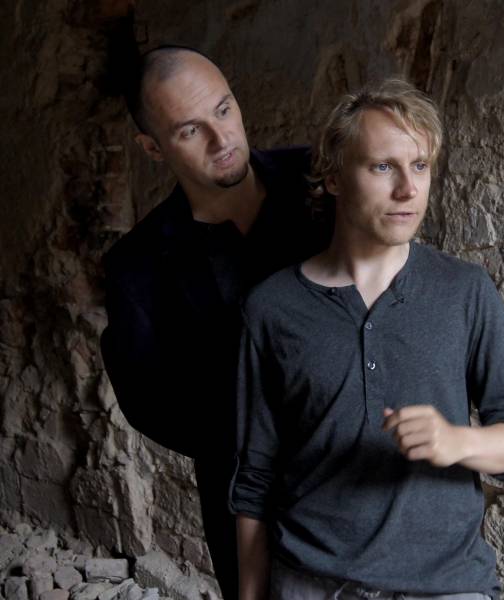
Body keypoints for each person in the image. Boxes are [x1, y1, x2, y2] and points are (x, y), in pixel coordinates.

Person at [231, 79, 504, 600]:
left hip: (446, 586)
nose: (408, 189)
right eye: (383, 167)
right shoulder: (271, 308)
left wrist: (458, 441)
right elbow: (255, 476)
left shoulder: (465, 291)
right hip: (311, 582)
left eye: (419, 166)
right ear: (334, 178)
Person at [100, 45, 331, 600]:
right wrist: (249, 441)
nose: (221, 138)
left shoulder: (324, 179)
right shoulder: (136, 267)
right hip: (247, 504)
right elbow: (147, 401)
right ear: (152, 148)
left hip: (365, 481)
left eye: (224, 110)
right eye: (190, 130)